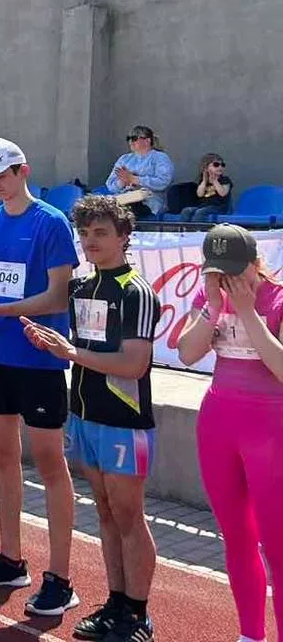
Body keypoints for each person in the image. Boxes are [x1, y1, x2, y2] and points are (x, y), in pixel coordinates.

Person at [21, 195, 161, 642]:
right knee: (103, 512)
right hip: (84, 415)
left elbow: (133, 364)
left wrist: (70, 352)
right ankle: (116, 602)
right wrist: (54, 345)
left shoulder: (135, 291)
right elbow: (87, 350)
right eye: (85, 233)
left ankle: (137, 614)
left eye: (101, 233)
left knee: (128, 516)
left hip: (124, 421)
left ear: (124, 236)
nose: (90, 241)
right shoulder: (82, 288)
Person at [0, 138, 80, 618]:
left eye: (1, 175)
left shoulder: (51, 222)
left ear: (23, 171)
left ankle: (62, 578)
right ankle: (10, 558)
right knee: (3, 456)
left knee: (50, 464)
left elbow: (57, 298)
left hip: (41, 360)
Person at [176, 224, 283, 642]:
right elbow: (186, 352)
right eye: (218, 272)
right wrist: (214, 308)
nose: (227, 280)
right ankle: (250, 635)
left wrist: (250, 314)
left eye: (235, 271)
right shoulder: (210, 297)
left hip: (271, 428)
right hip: (219, 421)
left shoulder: (277, 298)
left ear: (256, 263)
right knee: (237, 539)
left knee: (278, 545)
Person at [104, 126, 174, 220]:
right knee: (102, 209)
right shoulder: (124, 159)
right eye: (128, 138)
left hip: (149, 202)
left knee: (126, 211)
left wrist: (135, 179)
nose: (131, 141)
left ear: (147, 140)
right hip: (124, 198)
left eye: (134, 138)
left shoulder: (160, 158)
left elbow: (163, 182)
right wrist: (122, 182)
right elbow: (110, 185)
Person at [181, 153, 232, 223]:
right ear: (206, 168)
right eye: (216, 165)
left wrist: (215, 181)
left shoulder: (225, 180)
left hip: (219, 207)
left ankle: (197, 231)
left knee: (200, 212)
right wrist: (204, 181)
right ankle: (183, 230)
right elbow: (200, 194)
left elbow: (223, 193)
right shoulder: (204, 181)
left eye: (222, 165)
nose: (220, 167)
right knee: (186, 210)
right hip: (204, 206)